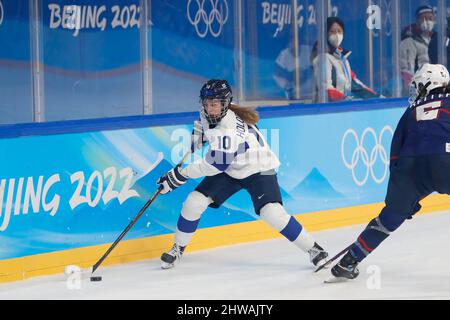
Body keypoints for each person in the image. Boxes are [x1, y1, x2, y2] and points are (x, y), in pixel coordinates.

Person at [156, 79, 329, 269]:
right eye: (206, 104)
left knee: (271, 213)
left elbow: (215, 165)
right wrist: (199, 136)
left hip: (258, 167)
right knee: (194, 201)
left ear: (225, 103)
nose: (209, 108)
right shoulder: (209, 113)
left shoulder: (229, 130)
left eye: (214, 104)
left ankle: (314, 249)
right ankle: (178, 248)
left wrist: (179, 176)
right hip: (231, 167)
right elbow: (204, 126)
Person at [328, 63, 450, 281]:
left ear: (427, 84)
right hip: (445, 158)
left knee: (389, 219)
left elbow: (395, 153)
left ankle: (349, 261)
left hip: (409, 166)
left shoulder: (410, 111)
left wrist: (401, 198)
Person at [310, 17, 381, 102]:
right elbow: (326, 88)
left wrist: (377, 97)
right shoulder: (322, 59)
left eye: (339, 31)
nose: (337, 35)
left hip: (343, 108)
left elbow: (356, 85)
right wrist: (346, 99)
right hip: (326, 110)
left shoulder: (343, 60)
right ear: (325, 34)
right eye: (332, 31)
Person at [399, 5, 437, 94]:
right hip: (421, 89)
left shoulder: (438, 39)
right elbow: (407, 72)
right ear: (417, 21)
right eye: (423, 18)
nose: (427, 21)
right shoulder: (409, 42)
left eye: (430, 18)